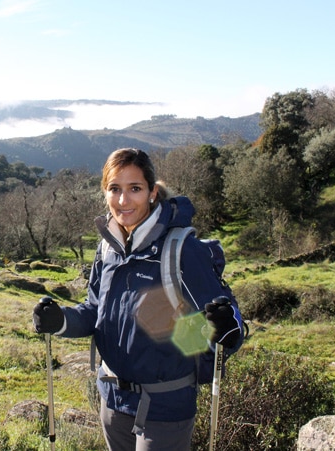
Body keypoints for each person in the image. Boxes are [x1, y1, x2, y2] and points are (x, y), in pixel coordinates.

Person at [32, 148, 244, 451]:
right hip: (113, 401)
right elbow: (95, 311)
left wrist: (223, 328)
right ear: (104, 193)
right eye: (114, 189)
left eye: (135, 189)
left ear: (152, 192)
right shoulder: (109, 248)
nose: (123, 200)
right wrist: (61, 320)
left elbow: (226, 323)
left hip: (164, 407)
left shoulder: (180, 250)